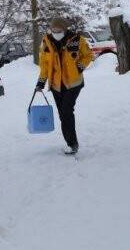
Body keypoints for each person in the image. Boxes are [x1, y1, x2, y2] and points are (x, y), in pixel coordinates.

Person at [35, 17, 93, 155]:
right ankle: (70, 143)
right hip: (56, 85)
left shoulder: (77, 39)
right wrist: (41, 82)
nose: (55, 32)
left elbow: (88, 55)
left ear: (64, 29)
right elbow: (44, 64)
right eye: (53, 30)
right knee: (63, 114)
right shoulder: (46, 42)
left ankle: (73, 144)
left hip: (73, 84)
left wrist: (79, 67)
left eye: (58, 30)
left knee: (66, 111)